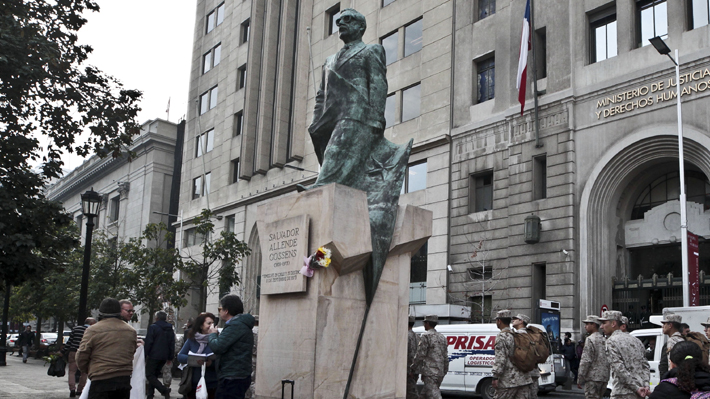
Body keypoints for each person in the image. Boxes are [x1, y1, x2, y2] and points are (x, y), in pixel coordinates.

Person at [303, 8, 388, 191]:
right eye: (338, 21)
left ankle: (323, 185)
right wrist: (316, 120)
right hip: (330, 117)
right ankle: (335, 185)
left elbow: (378, 84)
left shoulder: (371, 50)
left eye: (347, 19)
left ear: (360, 26)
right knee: (331, 153)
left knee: (336, 150)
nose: (341, 23)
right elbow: (321, 95)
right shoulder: (329, 60)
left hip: (357, 114)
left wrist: (376, 118)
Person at [76, 298, 137, 399]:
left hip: (101, 377)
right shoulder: (131, 331)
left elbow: (82, 354)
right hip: (123, 378)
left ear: (101, 312)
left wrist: (89, 370)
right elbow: (132, 351)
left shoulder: (93, 330)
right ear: (119, 311)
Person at [208, 294, 255, 399]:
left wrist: (212, 334)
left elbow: (218, 346)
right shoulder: (239, 324)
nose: (219, 312)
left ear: (226, 311)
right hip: (237, 375)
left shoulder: (235, 325)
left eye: (220, 308)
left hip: (232, 377)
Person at [599, 310, 650, 399]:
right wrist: (646, 386)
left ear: (613, 323)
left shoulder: (611, 341)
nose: (601, 326)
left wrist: (636, 388)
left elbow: (619, 368)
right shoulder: (636, 340)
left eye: (604, 323)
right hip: (639, 393)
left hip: (622, 393)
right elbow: (645, 365)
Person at [492, 310, 531, 399]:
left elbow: (500, 360)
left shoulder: (502, 337)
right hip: (523, 379)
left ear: (499, 321)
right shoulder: (517, 334)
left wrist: (495, 377)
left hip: (508, 381)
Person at [178, 312, 218, 399]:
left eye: (213, 323)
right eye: (208, 323)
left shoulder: (216, 340)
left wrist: (210, 363)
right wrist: (193, 360)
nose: (211, 326)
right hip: (193, 383)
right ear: (201, 326)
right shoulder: (192, 340)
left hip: (211, 383)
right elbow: (180, 356)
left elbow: (221, 360)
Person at [412, 315, 448, 399]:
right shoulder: (442, 337)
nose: (424, 325)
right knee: (425, 394)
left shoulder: (426, 336)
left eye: (424, 323)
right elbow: (445, 356)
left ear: (427, 323)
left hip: (430, 372)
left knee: (434, 395)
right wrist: (445, 369)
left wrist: (413, 368)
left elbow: (420, 354)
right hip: (440, 371)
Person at [62, 317, 97, 397]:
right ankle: (80, 389)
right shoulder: (92, 331)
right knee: (84, 372)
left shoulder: (76, 329)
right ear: (92, 323)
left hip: (73, 351)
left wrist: (63, 351)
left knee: (72, 372)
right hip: (85, 352)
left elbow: (70, 341)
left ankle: (72, 389)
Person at [577, 315, 610, 399]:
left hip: (592, 377)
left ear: (594, 325)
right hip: (604, 377)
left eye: (587, 324)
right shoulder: (604, 339)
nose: (585, 326)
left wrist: (580, 377)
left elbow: (586, 360)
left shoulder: (590, 339)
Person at [145, 311, 175, 399]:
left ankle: (163, 389)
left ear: (156, 318)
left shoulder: (153, 327)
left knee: (149, 375)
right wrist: (170, 356)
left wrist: (145, 354)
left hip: (154, 355)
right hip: (164, 356)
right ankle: (150, 395)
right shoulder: (170, 328)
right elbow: (171, 343)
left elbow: (149, 342)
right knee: (154, 375)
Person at [512, 314, 539, 399]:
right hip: (533, 371)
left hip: (522, 373)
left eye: (516, 319)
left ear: (521, 321)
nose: (513, 320)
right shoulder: (531, 335)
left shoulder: (518, 335)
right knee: (533, 395)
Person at [407, 315, 421, 399]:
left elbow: (410, 354)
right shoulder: (417, 336)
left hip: (408, 371)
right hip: (416, 369)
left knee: (411, 393)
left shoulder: (406, 336)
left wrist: (410, 371)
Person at [245, 315, 258, 399]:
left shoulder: (250, 331)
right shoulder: (261, 330)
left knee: (251, 378)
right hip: (257, 356)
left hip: (250, 356)